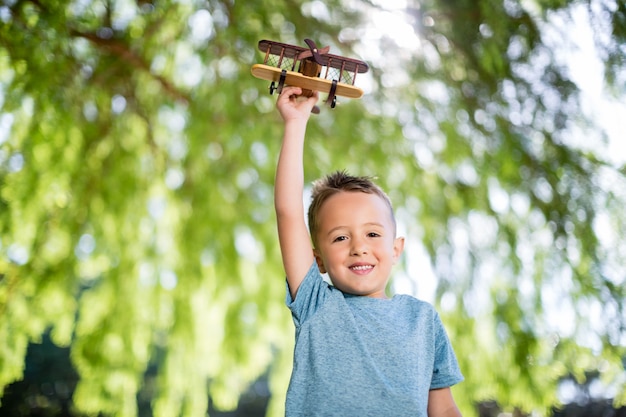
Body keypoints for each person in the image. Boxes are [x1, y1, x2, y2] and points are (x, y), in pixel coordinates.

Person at [274, 86, 464, 417]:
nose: (359, 247)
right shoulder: (316, 304)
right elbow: (288, 211)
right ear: (318, 258)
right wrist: (295, 122)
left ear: (395, 249)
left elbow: (444, 410)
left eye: (372, 234)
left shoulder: (422, 321)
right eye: (340, 238)